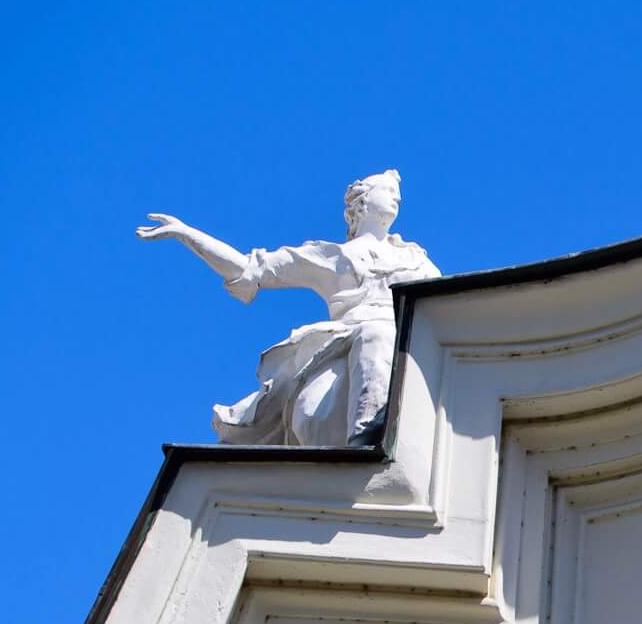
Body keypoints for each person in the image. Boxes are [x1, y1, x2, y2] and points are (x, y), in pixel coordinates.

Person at [138, 170, 438, 446]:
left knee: (392, 337)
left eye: (398, 193)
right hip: (356, 332)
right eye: (387, 190)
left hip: (409, 339)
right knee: (374, 335)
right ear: (362, 202)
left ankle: (385, 437)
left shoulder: (416, 259)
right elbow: (250, 268)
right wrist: (187, 234)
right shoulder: (334, 256)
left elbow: (443, 305)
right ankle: (363, 441)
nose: (396, 197)